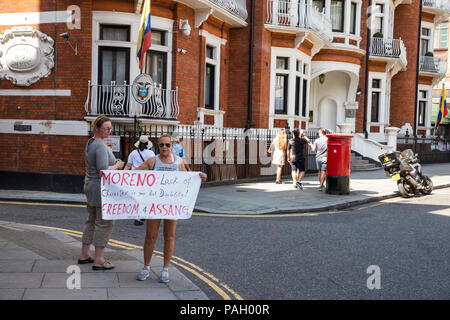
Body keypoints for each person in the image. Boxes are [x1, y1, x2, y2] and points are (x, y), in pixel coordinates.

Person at [134, 134, 207, 283]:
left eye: (167, 145)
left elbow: (188, 179)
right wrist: (111, 174)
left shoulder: (179, 162)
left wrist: (200, 177)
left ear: (172, 146)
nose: (164, 148)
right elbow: (132, 174)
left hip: (172, 205)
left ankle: (165, 269)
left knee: (169, 236)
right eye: (161, 145)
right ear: (157, 146)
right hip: (154, 204)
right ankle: (146, 267)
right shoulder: (152, 161)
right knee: (150, 237)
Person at [79, 115, 124, 270]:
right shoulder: (99, 145)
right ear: (97, 128)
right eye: (106, 128)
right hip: (99, 188)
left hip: (90, 186)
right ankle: (99, 260)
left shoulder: (91, 142)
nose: (109, 131)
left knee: (91, 220)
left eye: (110, 128)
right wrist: (117, 165)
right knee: (104, 223)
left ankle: (84, 255)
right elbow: (103, 171)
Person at [124, 135, 155, 226]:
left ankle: (138, 216)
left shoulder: (133, 153)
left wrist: (123, 176)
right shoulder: (151, 154)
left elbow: (128, 166)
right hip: (147, 179)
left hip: (135, 178)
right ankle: (142, 215)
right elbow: (153, 167)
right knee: (146, 197)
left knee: (137, 197)